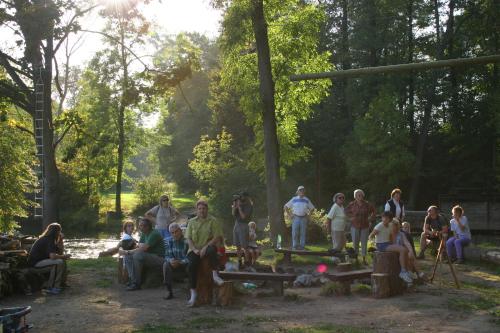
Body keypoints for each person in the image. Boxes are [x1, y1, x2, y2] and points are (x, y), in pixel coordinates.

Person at [185, 200, 225, 307]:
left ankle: (215, 275)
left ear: (207, 209)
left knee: (212, 250)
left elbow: (217, 237)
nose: (202, 211)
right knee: (191, 265)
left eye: (204, 208)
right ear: (197, 210)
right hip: (194, 249)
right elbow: (188, 238)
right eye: (199, 209)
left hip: (207, 247)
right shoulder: (192, 221)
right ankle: (193, 294)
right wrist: (194, 249)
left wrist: (205, 247)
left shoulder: (213, 221)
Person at [119, 217, 165, 291]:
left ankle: (137, 284)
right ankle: (133, 279)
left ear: (148, 226)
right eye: (140, 225)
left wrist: (127, 252)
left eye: (143, 226)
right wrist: (125, 250)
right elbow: (138, 246)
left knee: (137, 255)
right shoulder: (144, 233)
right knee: (128, 256)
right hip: (149, 256)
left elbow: (144, 248)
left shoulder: (154, 234)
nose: (140, 228)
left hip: (159, 258)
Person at [27, 223, 71, 295]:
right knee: (59, 262)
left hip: (41, 262)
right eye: (59, 231)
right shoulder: (49, 239)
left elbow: (60, 251)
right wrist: (64, 256)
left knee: (61, 261)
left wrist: (61, 239)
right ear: (56, 231)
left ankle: (60, 284)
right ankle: (52, 288)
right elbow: (53, 256)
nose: (60, 233)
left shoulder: (51, 239)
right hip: (35, 264)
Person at [369, 212, 413, 283]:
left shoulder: (389, 225)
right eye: (383, 217)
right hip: (381, 245)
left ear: (390, 219)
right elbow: (371, 236)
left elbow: (391, 236)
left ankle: (406, 270)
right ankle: (403, 272)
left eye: (386, 218)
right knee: (402, 250)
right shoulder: (379, 226)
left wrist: (394, 244)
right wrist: (373, 242)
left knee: (405, 250)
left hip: (387, 244)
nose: (384, 219)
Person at [345, 189, 376, 265]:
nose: (360, 196)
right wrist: (350, 218)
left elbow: (374, 211)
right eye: (358, 195)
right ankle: (356, 259)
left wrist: (371, 219)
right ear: (355, 196)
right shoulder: (352, 204)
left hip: (365, 225)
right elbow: (345, 211)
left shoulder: (367, 204)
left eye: (361, 195)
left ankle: (364, 259)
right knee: (355, 242)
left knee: (364, 243)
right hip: (354, 226)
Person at [284, 185, 315, 250]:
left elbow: (312, 208)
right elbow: (286, 207)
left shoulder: (306, 199)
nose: (302, 191)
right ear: (297, 191)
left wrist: (309, 215)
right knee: (295, 233)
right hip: (295, 217)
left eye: (303, 190)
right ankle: (295, 246)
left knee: (303, 233)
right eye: (300, 190)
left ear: (304, 191)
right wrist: (290, 215)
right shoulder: (294, 199)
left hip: (304, 218)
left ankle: (302, 246)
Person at [163, 222, 189, 300]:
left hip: (185, 264)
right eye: (172, 233)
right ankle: (169, 291)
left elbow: (190, 257)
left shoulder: (187, 241)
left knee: (191, 265)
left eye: (176, 232)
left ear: (180, 231)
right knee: (166, 264)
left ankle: (191, 290)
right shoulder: (167, 241)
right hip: (174, 264)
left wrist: (180, 262)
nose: (174, 234)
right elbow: (167, 255)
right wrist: (171, 261)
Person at [231, 192, 253, 267]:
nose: (241, 199)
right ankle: (239, 261)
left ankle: (247, 262)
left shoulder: (248, 205)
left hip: (244, 225)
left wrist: (240, 208)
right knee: (237, 245)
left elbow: (243, 217)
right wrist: (234, 206)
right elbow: (233, 214)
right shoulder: (239, 204)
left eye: (243, 197)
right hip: (236, 224)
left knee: (245, 246)